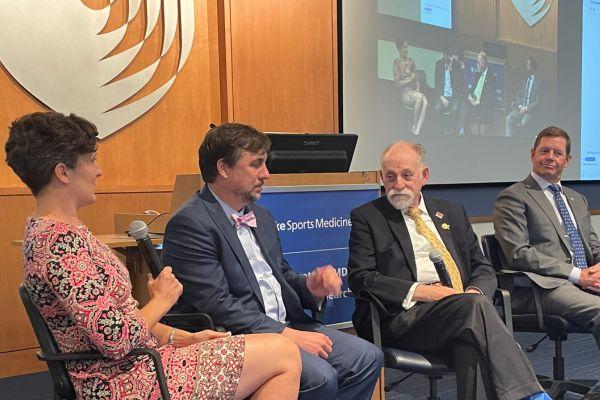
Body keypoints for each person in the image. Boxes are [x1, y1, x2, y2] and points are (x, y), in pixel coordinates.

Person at [6, 112, 302, 400]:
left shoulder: (58, 232)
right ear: (63, 172)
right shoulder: (60, 244)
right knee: (283, 353)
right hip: (124, 380)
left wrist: (182, 337)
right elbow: (115, 339)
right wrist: (162, 300)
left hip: (143, 361)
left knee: (275, 354)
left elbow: (117, 320)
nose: (98, 171)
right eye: (92, 161)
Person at [162, 123, 384, 400]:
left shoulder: (261, 216)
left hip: (287, 325)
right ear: (223, 168)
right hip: (239, 337)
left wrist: (310, 287)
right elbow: (216, 304)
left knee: (367, 357)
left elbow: (280, 275)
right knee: (320, 377)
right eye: (256, 164)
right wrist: (284, 334)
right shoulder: (190, 223)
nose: (266, 174)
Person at [348, 140, 550, 400]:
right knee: (474, 312)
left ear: (424, 176)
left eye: (407, 175)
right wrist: (424, 292)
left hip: (462, 313)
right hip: (405, 318)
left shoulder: (451, 212)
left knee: (472, 337)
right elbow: (361, 277)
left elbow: (482, 267)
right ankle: (531, 395)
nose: (398, 184)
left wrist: (473, 292)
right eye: (390, 176)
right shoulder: (368, 217)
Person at [493, 126, 600, 399]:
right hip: (541, 288)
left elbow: (593, 247)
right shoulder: (514, 196)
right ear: (532, 155)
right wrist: (577, 275)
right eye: (544, 151)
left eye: (557, 152)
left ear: (568, 160)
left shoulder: (577, 199)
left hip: (581, 283)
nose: (550, 157)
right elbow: (519, 253)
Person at [393, 39, 428, 135]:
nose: (406, 49)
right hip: (404, 93)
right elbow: (397, 84)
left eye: (407, 47)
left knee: (425, 100)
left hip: (414, 92)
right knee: (420, 98)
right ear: (399, 49)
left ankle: (416, 129)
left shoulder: (411, 61)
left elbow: (416, 79)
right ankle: (415, 127)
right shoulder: (396, 62)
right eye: (404, 47)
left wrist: (417, 88)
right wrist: (409, 80)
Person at [459, 51, 497, 135]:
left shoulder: (491, 77)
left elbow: (490, 97)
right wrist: (469, 96)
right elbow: (473, 89)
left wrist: (479, 102)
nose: (476, 64)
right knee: (464, 102)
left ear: (483, 62)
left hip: (482, 104)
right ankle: (461, 129)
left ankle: (465, 132)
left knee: (470, 111)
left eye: (478, 62)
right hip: (474, 100)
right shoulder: (477, 74)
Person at [505, 58, 542, 137]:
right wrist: (520, 106)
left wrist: (526, 109)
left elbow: (537, 101)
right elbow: (518, 95)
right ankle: (508, 141)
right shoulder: (524, 79)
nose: (526, 67)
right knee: (508, 119)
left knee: (523, 123)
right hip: (520, 108)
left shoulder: (539, 82)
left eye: (528, 65)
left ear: (533, 68)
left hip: (530, 111)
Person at [434, 44, 464, 135]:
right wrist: (442, 98)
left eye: (452, 55)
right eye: (448, 55)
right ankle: (441, 131)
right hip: (443, 96)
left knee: (455, 109)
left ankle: (452, 133)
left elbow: (459, 85)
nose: (450, 57)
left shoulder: (456, 65)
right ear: (444, 54)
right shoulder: (439, 64)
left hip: (453, 96)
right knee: (437, 108)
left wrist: (451, 70)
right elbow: (437, 84)